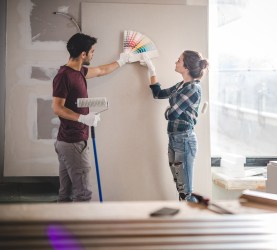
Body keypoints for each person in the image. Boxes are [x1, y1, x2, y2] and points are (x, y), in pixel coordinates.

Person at [52, 33, 130, 202]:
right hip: (73, 142)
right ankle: (82, 228)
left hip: (68, 141)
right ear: (83, 54)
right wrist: (82, 118)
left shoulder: (79, 71)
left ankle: (63, 226)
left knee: (66, 194)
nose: (93, 54)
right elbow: (57, 108)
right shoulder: (64, 76)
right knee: (83, 194)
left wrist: (123, 60)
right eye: (92, 51)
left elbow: (102, 70)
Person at [142, 50, 209, 202]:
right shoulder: (181, 86)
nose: (175, 62)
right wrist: (151, 69)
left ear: (186, 67)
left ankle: (191, 222)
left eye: (179, 60)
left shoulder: (192, 88)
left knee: (186, 192)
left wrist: (168, 111)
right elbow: (158, 94)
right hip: (175, 139)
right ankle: (186, 221)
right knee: (181, 188)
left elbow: (172, 114)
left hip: (184, 140)